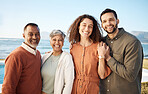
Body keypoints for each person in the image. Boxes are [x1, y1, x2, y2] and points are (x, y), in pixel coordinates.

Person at [99, 8, 143, 94]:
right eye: (104, 21)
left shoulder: (132, 42)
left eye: (111, 20)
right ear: (102, 25)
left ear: (117, 21)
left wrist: (108, 58)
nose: (108, 23)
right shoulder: (101, 42)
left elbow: (130, 75)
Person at [68, 14, 111, 94]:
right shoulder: (73, 48)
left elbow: (102, 75)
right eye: (84, 25)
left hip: (92, 89)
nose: (87, 29)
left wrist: (101, 56)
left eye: (90, 26)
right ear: (78, 27)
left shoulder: (99, 46)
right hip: (74, 89)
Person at [2, 23, 42, 94]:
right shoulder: (15, 56)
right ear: (23, 35)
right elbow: (8, 88)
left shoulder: (38, 54)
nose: (34, 37)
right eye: (30, 34)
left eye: (37, 34)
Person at [41, 30, 74, 94]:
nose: (57, 42)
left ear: (63, 42)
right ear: (50, 41)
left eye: (60, 40)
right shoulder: (45, 57)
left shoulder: (67, 57)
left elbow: (68, 83)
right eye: (54, 40)